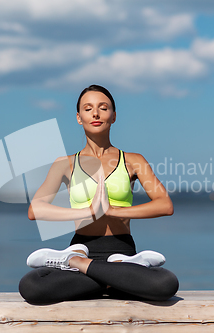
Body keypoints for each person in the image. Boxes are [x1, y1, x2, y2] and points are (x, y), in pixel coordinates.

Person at [18, 84, 179, 304]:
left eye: (103, 108)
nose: (95, 113)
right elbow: (35, 210)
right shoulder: (65, 164)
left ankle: (82, 266)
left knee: (165, 284)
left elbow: (164, 205)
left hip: (122, 249)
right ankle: (110, 274)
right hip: (81, 248)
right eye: (88, 108)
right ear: (78, 117)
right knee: (31, 286)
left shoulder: (133, 160)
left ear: (113, 117)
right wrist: (89, 211)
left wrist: (112, 210)